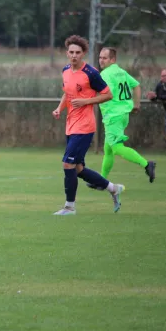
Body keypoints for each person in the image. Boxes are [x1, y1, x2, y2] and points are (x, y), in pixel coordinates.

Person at [52, 35, 125, 215]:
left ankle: (69, 207)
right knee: (78, 168)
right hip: (71, 124)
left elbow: (107, 95)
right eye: (71, 52)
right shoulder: (66, 70)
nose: (74, 55)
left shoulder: (91, 73)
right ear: (67, 53)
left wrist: (86, 102)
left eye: (78, 52)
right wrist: (59, 108)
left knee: (67, 164)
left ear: (83, 53)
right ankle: (113, 188)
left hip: (84, 126)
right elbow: (67, 94)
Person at [86, 47, 155, 188]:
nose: (101, 60)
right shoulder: (121, 72)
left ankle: (147, 164)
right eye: (100, 57)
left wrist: (87, 100)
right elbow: (136, 85)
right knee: (108, 149)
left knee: (116, 148)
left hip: (113, 115)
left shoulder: (105, 74)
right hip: (123, 114)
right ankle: (101, 181)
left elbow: (107, 94)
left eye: (105, 58)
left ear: (113, 60)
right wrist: (136, 104)